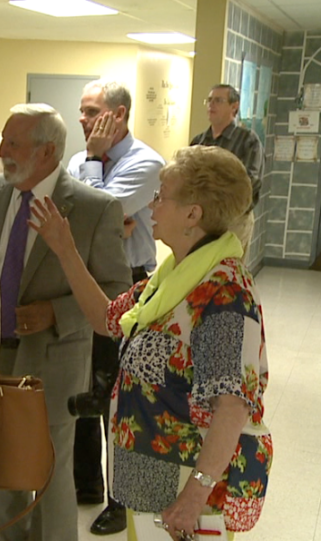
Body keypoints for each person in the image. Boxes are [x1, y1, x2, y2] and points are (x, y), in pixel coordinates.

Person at [28, 145, 272, 541]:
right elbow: (107, 319)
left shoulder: (223, 292)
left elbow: (231, 405)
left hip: (185, 488)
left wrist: (194, 496)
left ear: (193, 215)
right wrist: (66, 250)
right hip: (150, 475)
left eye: (161, 197)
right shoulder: (173, 277)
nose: (152, 206)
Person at [0, 103, 131, 541]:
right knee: (0, 475)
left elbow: (116, 292)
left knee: (49, 474)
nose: (2, 151)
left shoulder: (94, 208)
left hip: (51, 363)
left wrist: (56, 312)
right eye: (4, 141)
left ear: (48, 151)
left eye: (14, 143)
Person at [66, 79, 164, 535]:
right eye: (82, 110)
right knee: (85, 385)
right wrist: (103, 219)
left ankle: (119, 501)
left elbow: (96, 211)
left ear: (118, 115)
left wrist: (93, 170)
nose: (82, 119)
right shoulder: (77, 159)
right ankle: (85, 483)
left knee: (118, 396)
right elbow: (77, 216)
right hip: (83, 281)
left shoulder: (146, 163)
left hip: (129, 282)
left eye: (91, 111)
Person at [190, 84, 263, 250]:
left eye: (218, 100)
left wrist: (222, 206)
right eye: (209, 100)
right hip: (202, 220)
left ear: (234, 106)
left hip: (234, 220)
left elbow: (250, 182)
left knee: (227, 264)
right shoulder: (199, 142)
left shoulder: (247, 140)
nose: (211, 105)